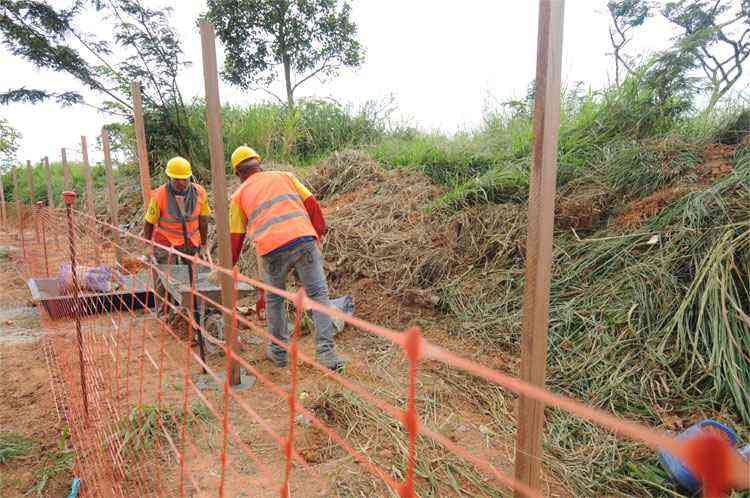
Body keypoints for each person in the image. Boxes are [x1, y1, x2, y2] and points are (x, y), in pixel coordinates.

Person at [228, 145, 344, 372]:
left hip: (272, 251)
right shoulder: (285, 176)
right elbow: (312, 204)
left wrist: (227, 265)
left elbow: (235, 236)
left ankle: (279, 355)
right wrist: (317, 233)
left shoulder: (239, 195)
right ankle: (327, 355)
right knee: (319, 296)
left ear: (239, 174)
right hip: (304, 241)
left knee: (275, 301)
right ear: (258, 164)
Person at [144, 156, 211, 263]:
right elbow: (149, 222)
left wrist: (203, 245)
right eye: (176, 179)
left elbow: (203, 220)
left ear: (190, 177)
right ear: (169, 178)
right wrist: (148, 246)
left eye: (184, 179)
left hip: (191, 240)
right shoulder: (159, 195)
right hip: (166, 240)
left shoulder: (200, 192)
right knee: (168, 274)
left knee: (194, 273)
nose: (181, 183)